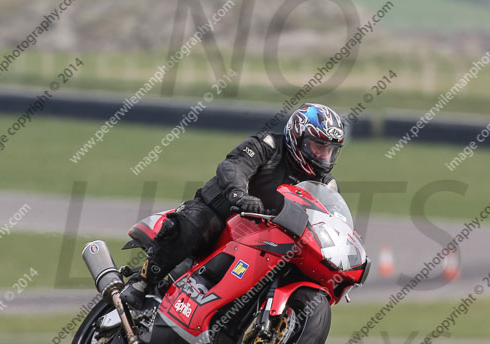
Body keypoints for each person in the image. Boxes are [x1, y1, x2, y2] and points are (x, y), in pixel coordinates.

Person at [120, 103, 345, 309]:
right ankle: (141, 282)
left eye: (329, 151)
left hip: (269, 239)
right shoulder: (268, 145)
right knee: (198, 223)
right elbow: (234, 166)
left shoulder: (326, 185)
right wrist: (239, 195)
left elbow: (331, 220)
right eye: (317, 147)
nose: (322, 156)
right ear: (297, 137)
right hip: (225, 215)